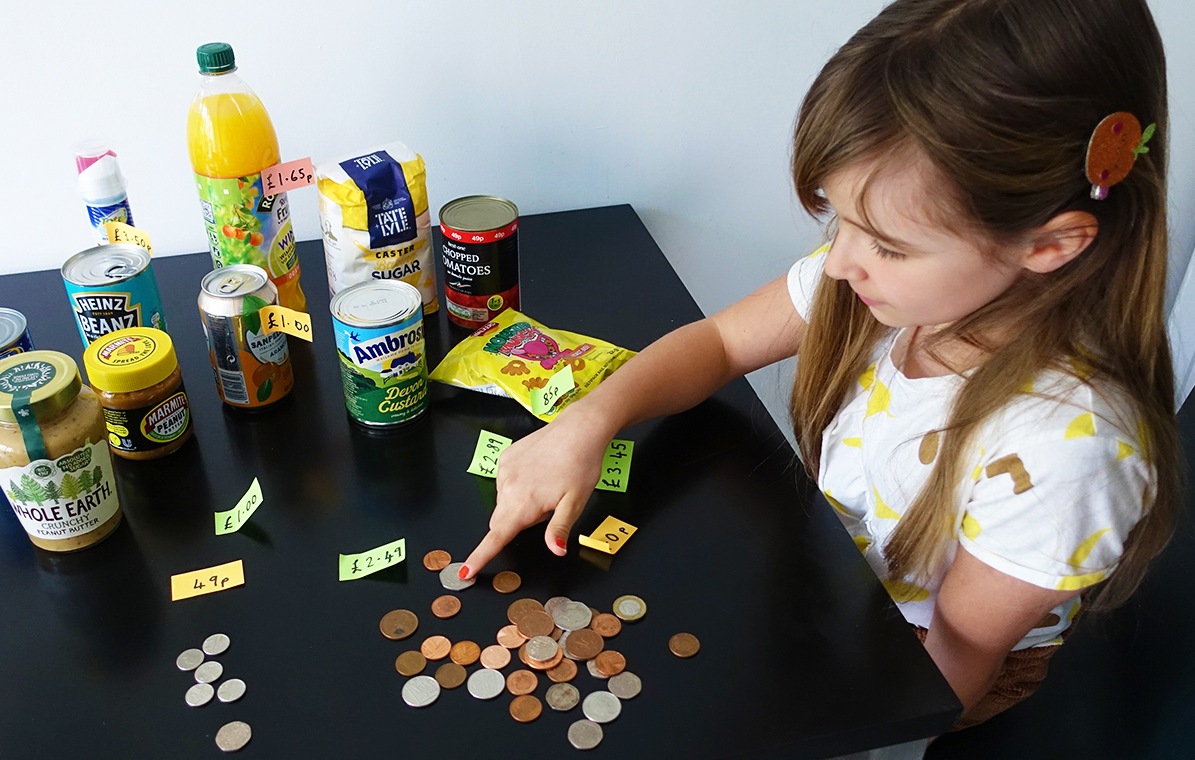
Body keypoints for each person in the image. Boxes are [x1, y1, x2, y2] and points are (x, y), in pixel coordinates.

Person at [461, 0, 1179, 729]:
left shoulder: (1069, 453)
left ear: (1050, 245)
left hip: (918, 675)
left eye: (887, 245)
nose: (838, 263)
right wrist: (587, 421)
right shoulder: (882, 288)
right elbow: (718, 344)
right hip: (830, 582)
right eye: (840, 222)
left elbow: (950, 675)